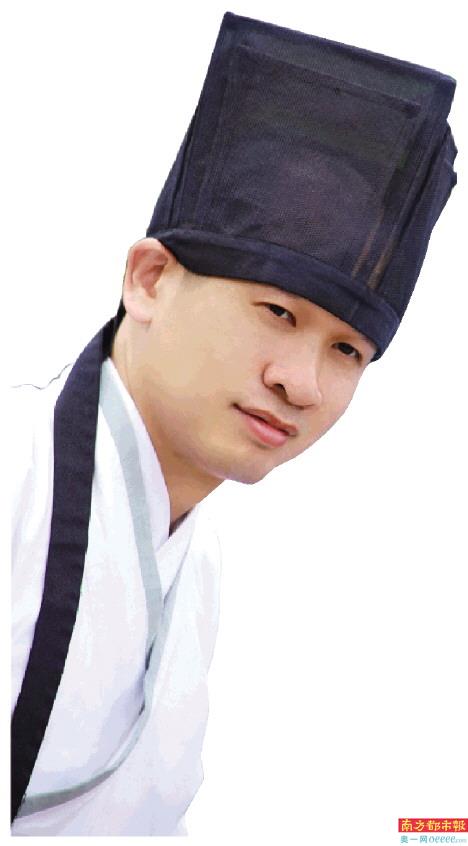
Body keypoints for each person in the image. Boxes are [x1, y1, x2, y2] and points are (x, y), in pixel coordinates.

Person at [11, 10, 457, 836]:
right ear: (149, 279)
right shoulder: (13, 479)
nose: (301, 383)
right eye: (277, 313)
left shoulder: (199, 562)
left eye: (347, 351)